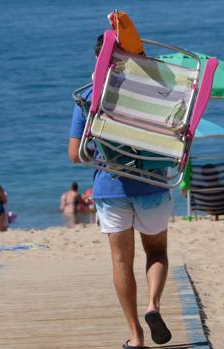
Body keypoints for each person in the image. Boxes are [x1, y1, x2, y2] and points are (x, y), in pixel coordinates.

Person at [67, 34, 173, 348]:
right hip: (151, 183)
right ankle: (153, 304)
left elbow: (75, 155)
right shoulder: (154, 91)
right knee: (156, 251)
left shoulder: (89, 95)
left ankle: (135, 336)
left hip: (110, 187)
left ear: (99, 59)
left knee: (121, 261)